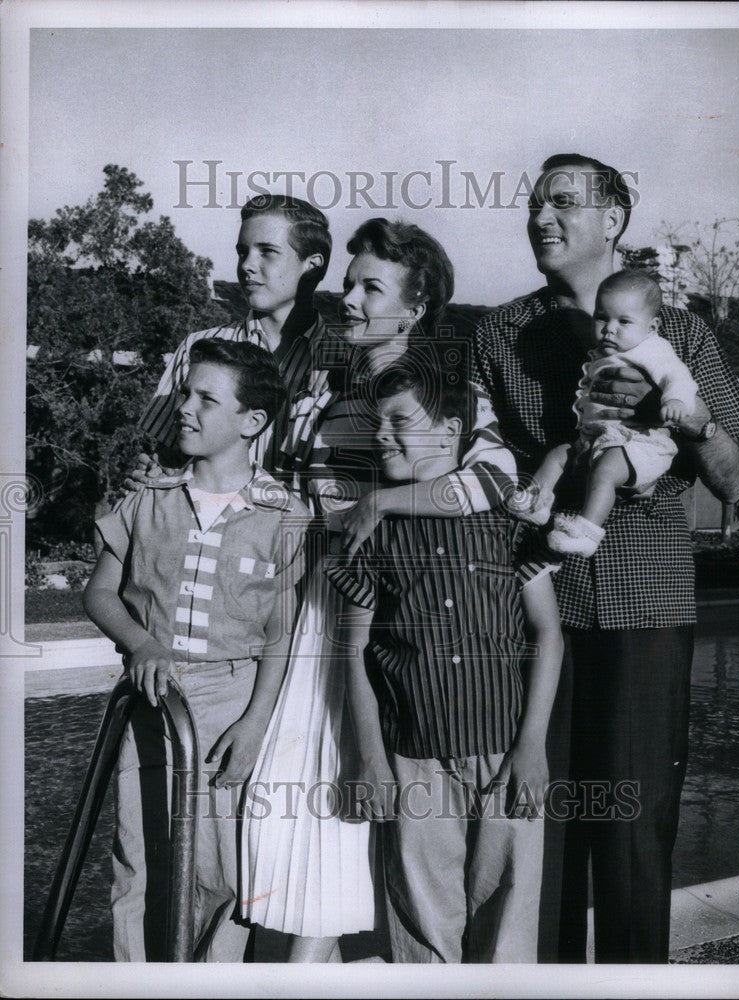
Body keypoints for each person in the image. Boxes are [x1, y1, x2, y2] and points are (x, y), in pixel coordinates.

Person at [472, 153, 739, 963]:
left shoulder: (684, 333)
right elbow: (477, 463)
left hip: (644, 605)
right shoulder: (498, 332)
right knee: (541, 842)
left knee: (631, 844)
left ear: (613, 221)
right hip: (533, 607)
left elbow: (735, 476)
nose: (541, 218)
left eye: (563, 202)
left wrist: (684, 416)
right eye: (533, 204)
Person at [239, 218, 519, 962]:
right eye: (349, 284)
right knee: (310, 818)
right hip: (325, 612)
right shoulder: (331, 388)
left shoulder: (449, 388)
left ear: (419, 303)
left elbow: (493, 481)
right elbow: (289, 493)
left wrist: (379, 503)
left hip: (407, 628)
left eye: (371, 287)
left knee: (371, 821)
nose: (350, 301)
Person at [324, 362, 563, 963]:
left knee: (507, 929)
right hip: (413, 764)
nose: (384, 434)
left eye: (401, 420)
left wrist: (532, 743)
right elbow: (352, 652)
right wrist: (373, 762)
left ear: (452, 429)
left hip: (504, 753)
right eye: (377, 424)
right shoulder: (367, 532)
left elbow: (548, 634)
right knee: (423, 930)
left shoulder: (509, 524)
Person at [83, 339, 311, 961]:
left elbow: (280, 634)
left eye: (205, 399)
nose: (184, 408)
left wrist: (257, 722)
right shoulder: (148, 497)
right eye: (186, 393)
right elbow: (101, 592)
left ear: (252, 422)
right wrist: (141, 641)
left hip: (231, 706)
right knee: (139, 865)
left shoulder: (283, 516)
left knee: (221, 874)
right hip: (150, 701)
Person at [138, 193, 332, 497]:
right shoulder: (198, 348)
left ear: (312, 266)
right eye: (243, 252)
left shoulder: (345, 360)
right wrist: (149, 475)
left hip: (304, 537)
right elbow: (165, 462)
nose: (247, 266)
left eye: (267, 251)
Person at [523, 270, 699, 556]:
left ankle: (586, 533)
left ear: (652, 326)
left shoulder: (652, 349)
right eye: (602, 317)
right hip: (599, 438)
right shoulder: (605, 351)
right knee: (558, 455)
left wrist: (676, 400)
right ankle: (536, 504)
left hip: (640, 442)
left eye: (624, 321)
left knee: (605, 470)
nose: (609, 329)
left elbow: (678, 377)